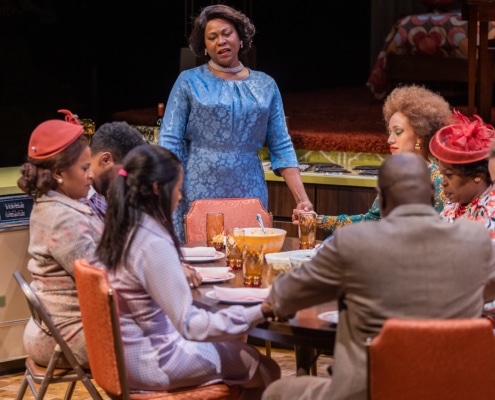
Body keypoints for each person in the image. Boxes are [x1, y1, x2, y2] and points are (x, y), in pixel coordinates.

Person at [261, 152, 495, 400]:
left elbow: (283, 296)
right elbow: (489, 293)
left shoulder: (353, 243)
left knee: (277, 391)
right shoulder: (474, 240)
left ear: (381, 198)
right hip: (454, 390)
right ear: (430, 194)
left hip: (369, 391)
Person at [95, 144, 280, 397]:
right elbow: (191, 325)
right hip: (154, 362)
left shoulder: (124, 227)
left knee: (235, 347)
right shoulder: (152, 241)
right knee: (263, 366)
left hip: (123, 359)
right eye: (178, 189)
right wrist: (261, 310)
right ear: (158, 188)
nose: (180, 197)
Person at [159, 4, 312, 243]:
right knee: (203, 260)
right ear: (205, 47)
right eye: (212, 37)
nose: (221, 41)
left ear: (241, 37)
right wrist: (169, 190)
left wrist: (302, 200)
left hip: (249, 188)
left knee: (249, 257)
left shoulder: (266, 85)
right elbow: (169, 140)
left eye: (227, 33)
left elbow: (281, 145)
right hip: (196, 187)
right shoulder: (189, 81)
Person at [298, 84, 452, 235]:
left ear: (420, 135)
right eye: (389, 132)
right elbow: (371, 220)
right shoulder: (393, 175)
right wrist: (317, 220)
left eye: (398, 132)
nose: (389, 140)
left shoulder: (438, 180)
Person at [17, 110, 103, 368]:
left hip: (57, 330)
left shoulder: (53, 204)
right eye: (85, 168)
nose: (92, 175)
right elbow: (102, 280)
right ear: (58, 173)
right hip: (70, 337)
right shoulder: (64, 219)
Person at [87, 121, 202, 288]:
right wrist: (164, 269)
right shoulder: (81, 202)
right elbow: (104, 265)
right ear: (106, 160)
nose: (127, 182)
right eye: (125, 173)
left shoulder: (102, 195)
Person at [429, 110, 495, 242]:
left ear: (477, 176)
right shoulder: (457, 201)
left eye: (449, 175)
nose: (443, 182)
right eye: (442, 174)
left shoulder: (490, 213)